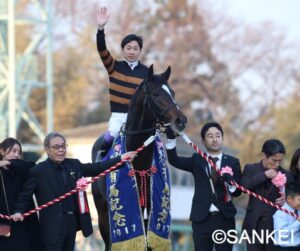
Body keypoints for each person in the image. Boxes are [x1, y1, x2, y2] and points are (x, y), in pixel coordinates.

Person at [12, 132, 136, 251]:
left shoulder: (74, 165)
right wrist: (18, 211)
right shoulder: (38, 171)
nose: (61, 150)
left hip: (72, 225)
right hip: (51, 227)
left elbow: (98, 167)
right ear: (47, 149)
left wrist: (121, 158)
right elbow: (25, 195)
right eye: (56, 147)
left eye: (63, 146)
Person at [165, 122, 242, 251]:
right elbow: (175, 161)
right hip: (201, 219)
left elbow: (237, 192)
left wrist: (231, 183)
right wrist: (171, 139)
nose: (215, 139)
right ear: (203, 140)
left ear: (222, 138)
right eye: (210, 136)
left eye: (218, 135)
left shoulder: (233, 162)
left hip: (225, 218)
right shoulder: (197, 159)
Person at [96, 6, 149, 157]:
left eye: (135, 48)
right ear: (123, 50)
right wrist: (100, 28)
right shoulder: (114, 66)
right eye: (128, 48)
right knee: (112, 132)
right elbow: (101, 50)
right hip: (119, 115)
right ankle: (101, 155)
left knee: (155, 139)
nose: (132, 51)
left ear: (140, 51)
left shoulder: (146, 72)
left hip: (139, 116)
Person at [241, 139, 293, 251]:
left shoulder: (286, 174)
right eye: (274, 160)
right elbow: (243, 187)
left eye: (280, 161)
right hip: (253, 225)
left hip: (276, 227)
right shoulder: (251, 169)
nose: (277, 164)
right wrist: (263, 175)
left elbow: (295, 198)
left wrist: (287, 198)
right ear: (264, 155)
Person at [0, 137, 41, 251]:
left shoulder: (22, 169)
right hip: (4, 223)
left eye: (19, 152)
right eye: (13, 151)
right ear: (2, 151)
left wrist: (8, 162)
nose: (17, 155)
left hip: (23, 220)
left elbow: (31, 167)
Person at [273, 181, 300, 250]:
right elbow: (283, 235)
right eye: (299, 200)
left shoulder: (298, 211)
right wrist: (298, 222)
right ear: (289, 199)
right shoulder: (280, 214)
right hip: (285, 248)